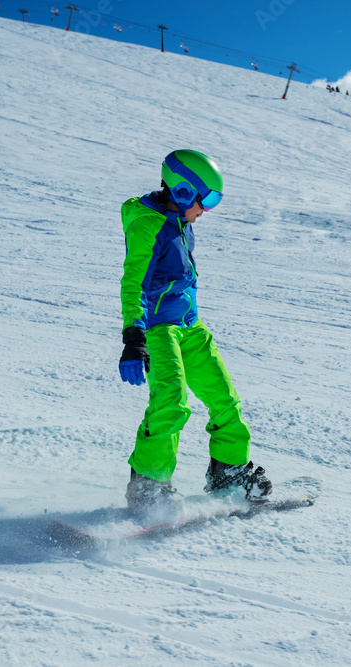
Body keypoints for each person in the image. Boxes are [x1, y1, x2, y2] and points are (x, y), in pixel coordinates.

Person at [117, 149, 272, 513]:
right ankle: (147, 487)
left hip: (190, 326)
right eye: (207, 200)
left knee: (225, 399)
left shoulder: (179, 221)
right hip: (158, 330)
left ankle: (229, 473)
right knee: (171, 404)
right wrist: (133, 337)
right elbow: (133, 284)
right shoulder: (149, 225)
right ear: (184, 192)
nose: (207, 210)